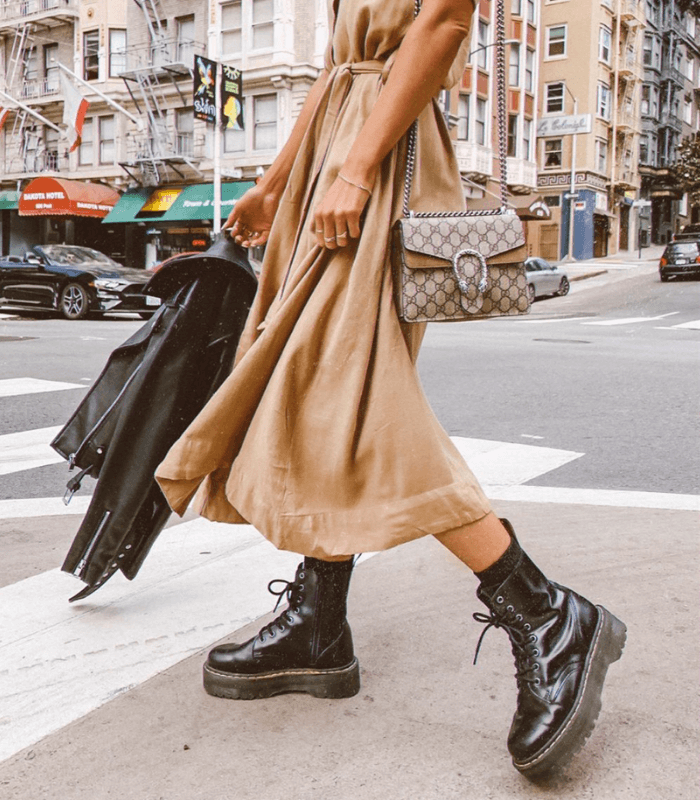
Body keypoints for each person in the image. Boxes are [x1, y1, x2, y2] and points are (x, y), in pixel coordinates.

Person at [154, 0, 626, 780]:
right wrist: (276, 182)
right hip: (338, 151)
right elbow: (338, 64)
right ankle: (321, 623)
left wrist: (355, 168)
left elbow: (441, 24)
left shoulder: (371, 148)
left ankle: (548, 615)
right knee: (315, 394)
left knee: (353, 396)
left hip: (375, 155)